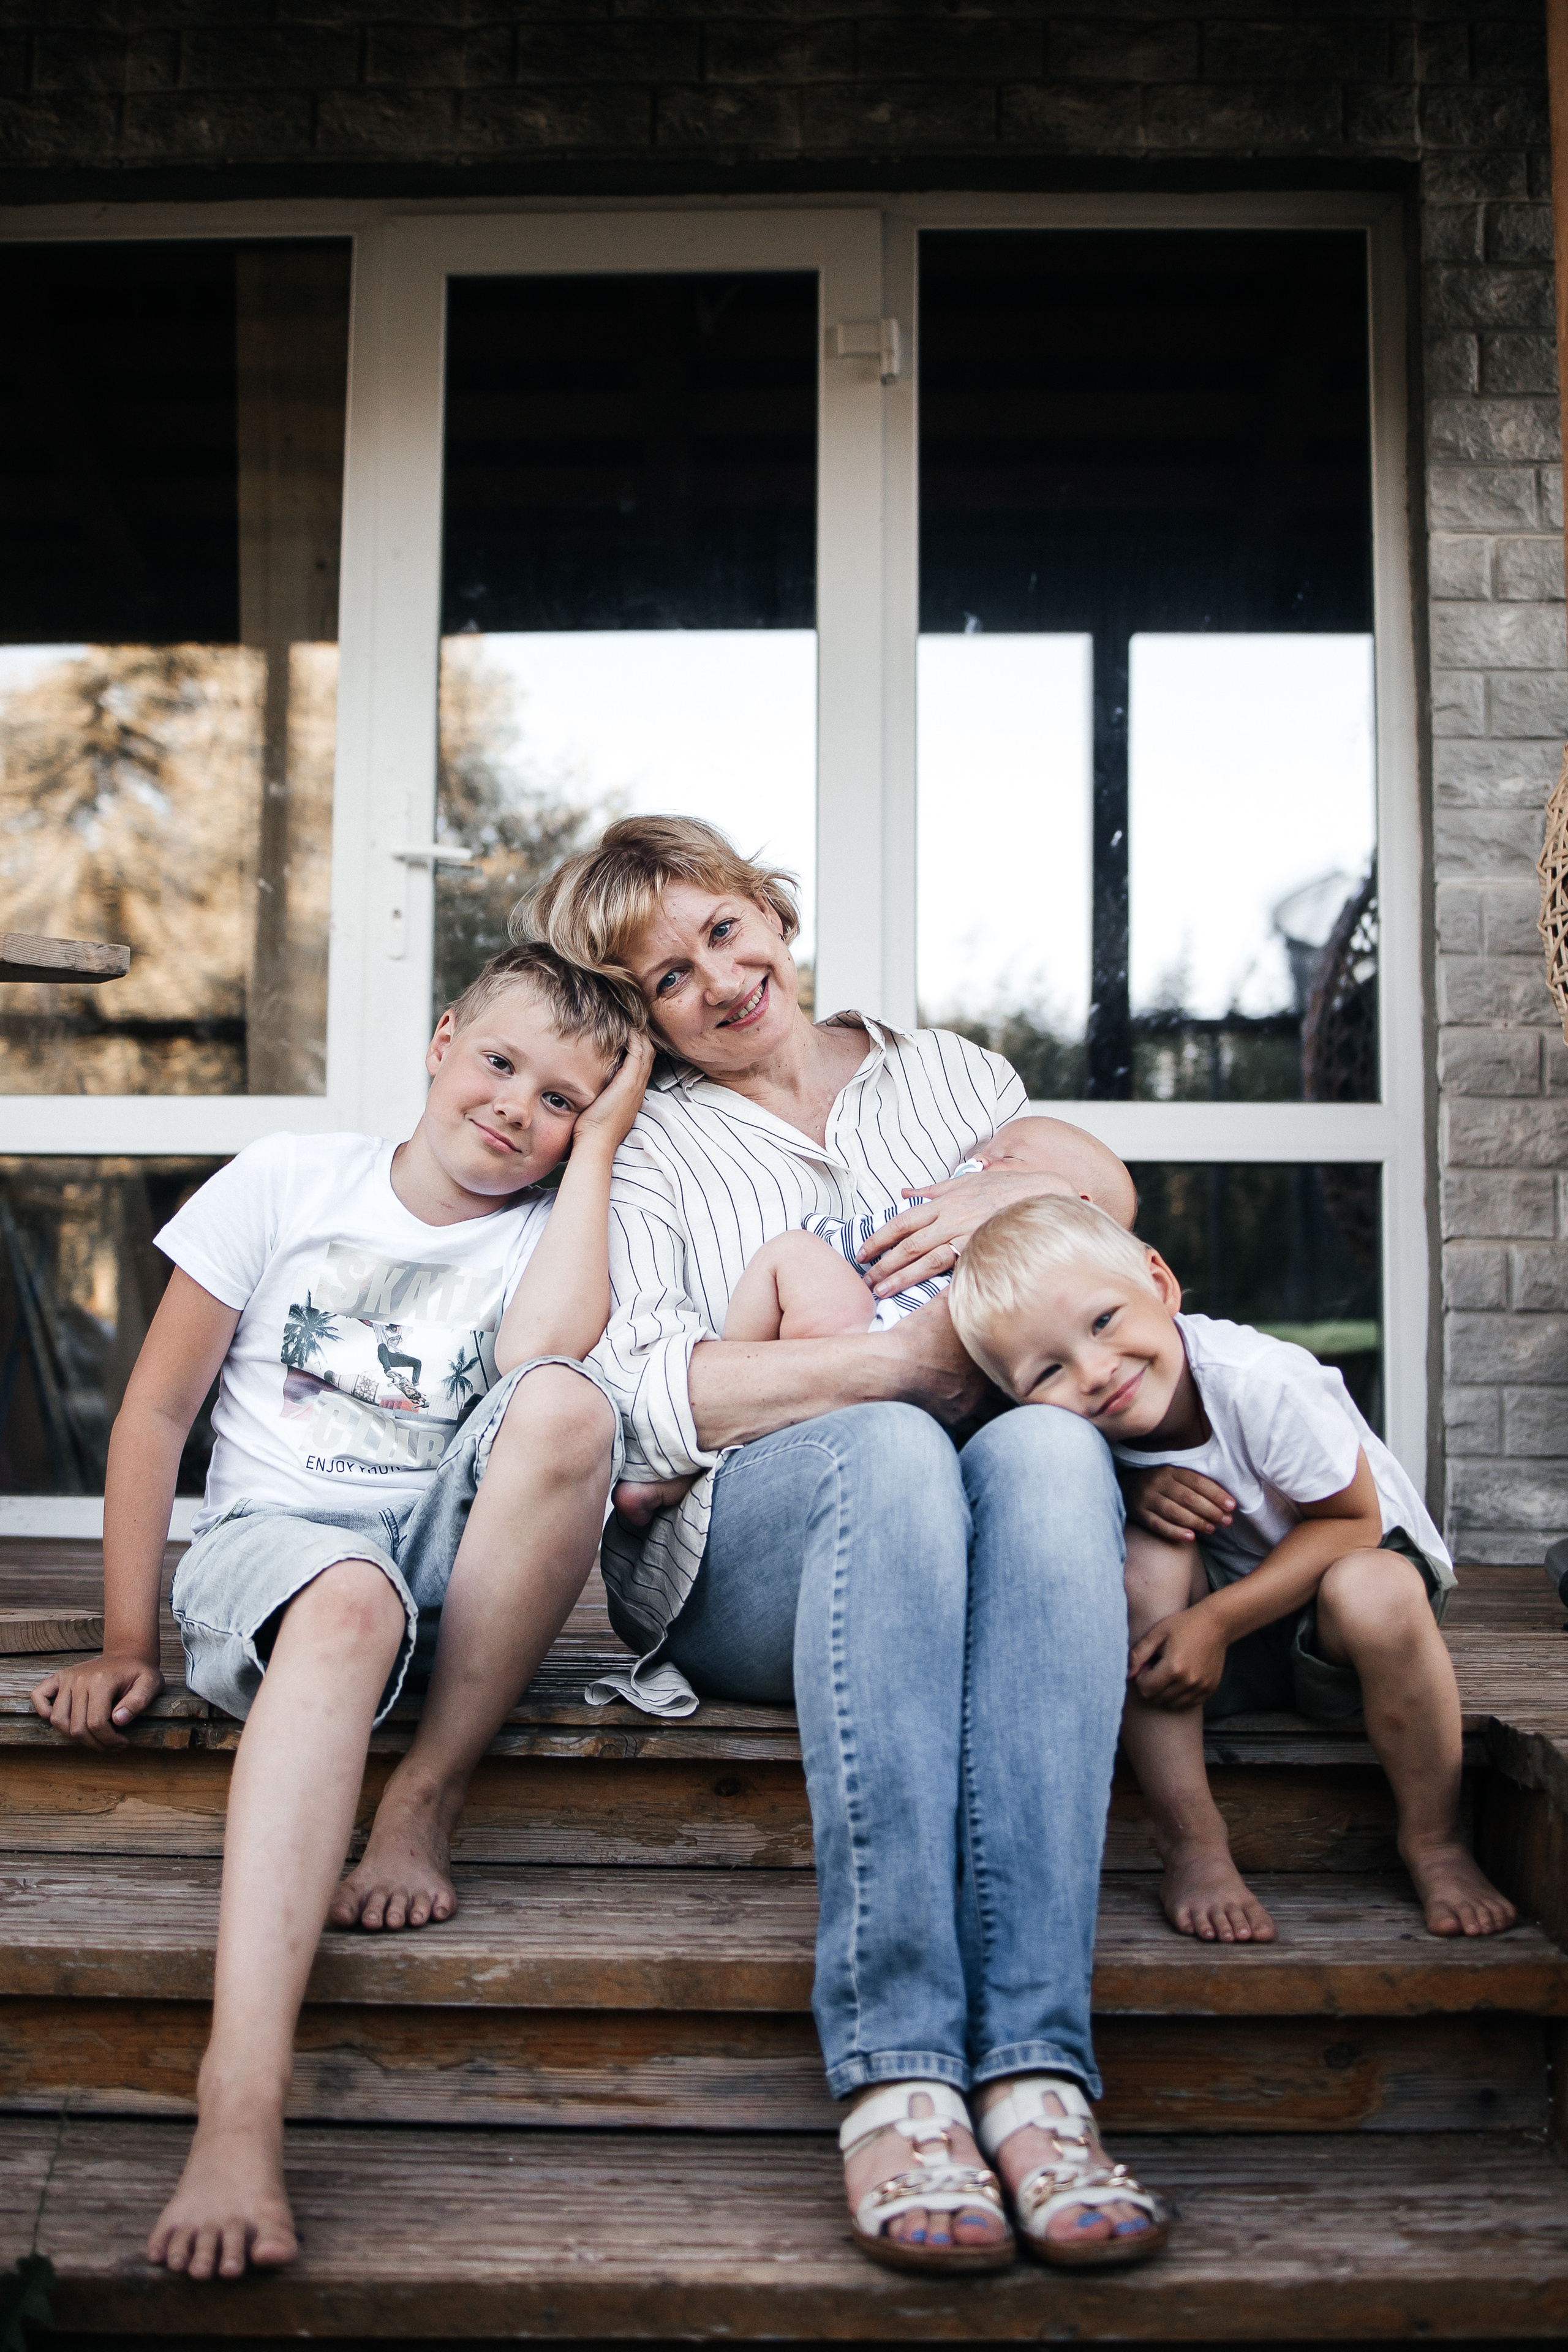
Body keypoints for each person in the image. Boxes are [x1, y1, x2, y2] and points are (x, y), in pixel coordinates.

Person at [526, 815, 1168, 2275]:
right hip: (744, 1559)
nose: (717, 978)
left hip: (985, 1526)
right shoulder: (646, 1147)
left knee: (1054, 1449)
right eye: (667, 976)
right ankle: (897, 2079)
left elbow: (1089, 1232)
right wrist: (891, 1369)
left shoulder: (950, 1077)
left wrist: (1024, 1193)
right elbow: (634, 1396)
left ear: (769, 911)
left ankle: (1036, 2078)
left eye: (721, 930)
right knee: (888, 1447)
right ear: (639, 1015)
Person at [31, 944, 654, 2283]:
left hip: (438, 1580)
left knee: (568, 1406)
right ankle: (239, 2102)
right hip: (274, 1561)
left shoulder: (549, 1232)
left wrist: (601, 1149)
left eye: (561, 1100)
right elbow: (154, 1415)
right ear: (441, 1041)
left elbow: (547, 1359)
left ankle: (425, 1793)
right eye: (499, 1064)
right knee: (350, 1600)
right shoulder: (289, 1178)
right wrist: (127, 1639)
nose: (516, 1108)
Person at [948, 1193, 1517, 1947]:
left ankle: (1435, 1840)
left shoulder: (1260, 1380)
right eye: (1049, 1369)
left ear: (1159, 1283)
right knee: (1146, 1559)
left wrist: (1214, 1622)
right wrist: (1131, 1489)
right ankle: (1193, 1844)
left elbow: (1353, 1524)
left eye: (1104, 1321)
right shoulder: (1077, 1435)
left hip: (1349, 1609)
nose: (1095, 1372)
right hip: (1216, 1636)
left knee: (1372, 1588)